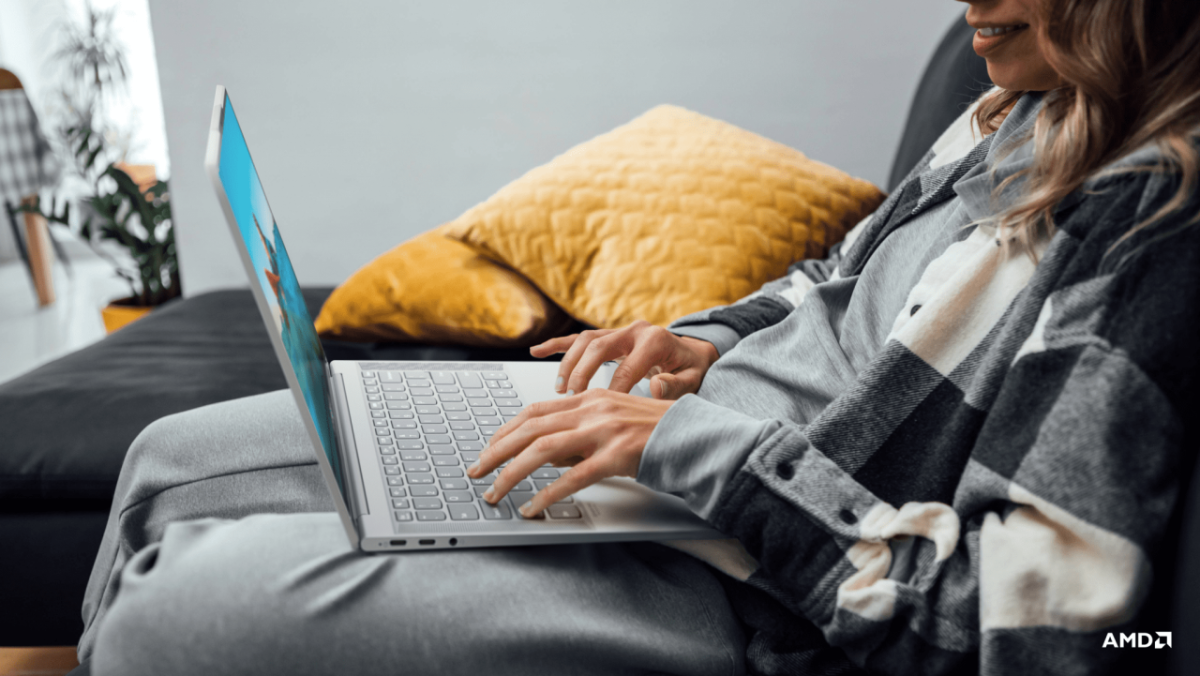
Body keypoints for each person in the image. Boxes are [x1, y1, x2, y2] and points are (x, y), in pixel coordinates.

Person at [78, 0, 1200, 673]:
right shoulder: (1017, 103)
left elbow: (1035, 635)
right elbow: (836, 283)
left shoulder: (1151, 227)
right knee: (165, 462)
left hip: (748, 580)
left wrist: (697, 452)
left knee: (172, 619)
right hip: (665, 463)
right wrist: (695, 345)